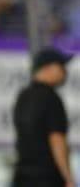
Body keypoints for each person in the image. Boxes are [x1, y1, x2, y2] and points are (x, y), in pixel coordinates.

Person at [13, 47, 75, 187]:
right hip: (48, 178)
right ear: (47, 68)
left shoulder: (23, 96)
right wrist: (68, 177)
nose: (64, 72)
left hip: (22, 176)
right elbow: (57, 140)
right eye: (61, 66)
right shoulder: (51, 98)